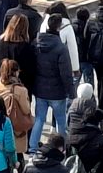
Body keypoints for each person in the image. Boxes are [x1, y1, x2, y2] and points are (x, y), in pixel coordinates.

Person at [30, 14, 74, 153]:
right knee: (61, 121)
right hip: (57, 92)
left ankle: (33, 148)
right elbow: (66, 74)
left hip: (40, 90)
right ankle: (62, 148)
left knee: (39, 119)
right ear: (59, 27)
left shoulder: (36, 43)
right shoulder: (61, 48)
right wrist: (71, 92)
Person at [0, 59, 33, 171]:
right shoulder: (21, 90)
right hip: (15, 126)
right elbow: (26, 109)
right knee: (18, 155)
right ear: (15, 72)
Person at [0, 14, 36, 97]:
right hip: (20, 85)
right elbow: (30, 69)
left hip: (2, 81)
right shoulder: (25, 46)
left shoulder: (0, 42)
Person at [40, 1, 80, 76]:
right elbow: (72, 49)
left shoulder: (44, 24)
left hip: (43, 63)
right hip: (61, 64)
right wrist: (75, 68)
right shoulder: (67, 27)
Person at [73, 7, 93, 86]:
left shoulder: (72, 27)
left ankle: (73, 97)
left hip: (75, 59)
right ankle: (89, 97)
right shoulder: (89, 27)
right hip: (87, 59)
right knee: (89, 82)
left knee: (75, 82)